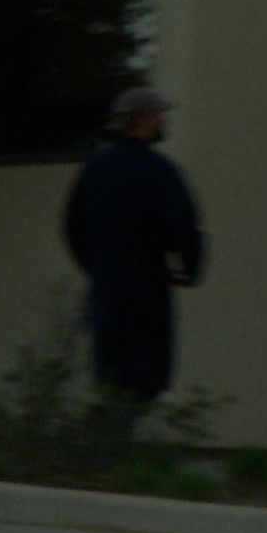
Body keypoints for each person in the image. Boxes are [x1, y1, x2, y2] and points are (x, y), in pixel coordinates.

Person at [62, 86, 203, 435]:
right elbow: (184, 227)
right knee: (145, 377)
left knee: (111, 375)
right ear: (145, 119)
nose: (162, 121)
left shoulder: (95, 168)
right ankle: (110, 441)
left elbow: (72, 226)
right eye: (159, 115)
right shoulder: (159, 170)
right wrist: (190, 268)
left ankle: (103, 441)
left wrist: (96, 268)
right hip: (147, 289)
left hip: (107, 289)